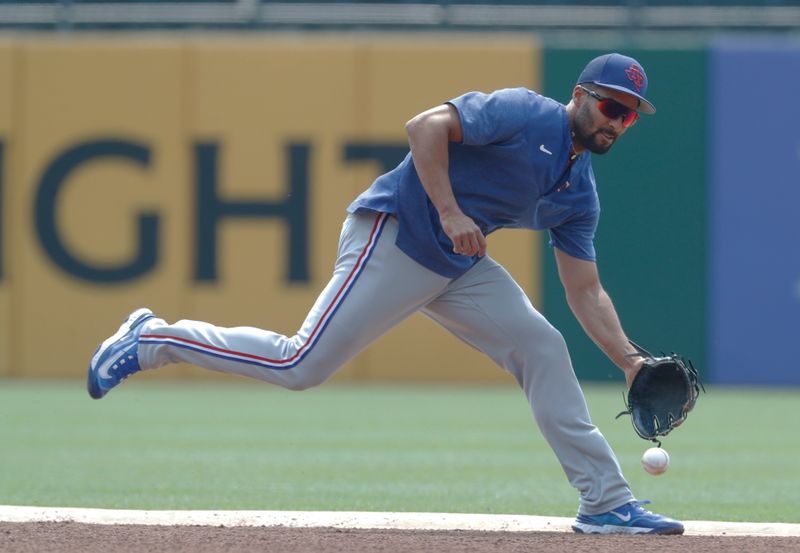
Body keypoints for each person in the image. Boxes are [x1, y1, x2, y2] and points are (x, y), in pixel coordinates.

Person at [88, 53, 684, 535]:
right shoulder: (527, 113)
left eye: (627, 116)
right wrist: (450, 211)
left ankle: (605, 503)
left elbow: (585, 290)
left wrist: (628, 362)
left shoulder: (578, 192)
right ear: (580, 96)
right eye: (609, 104)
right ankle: (153, 339)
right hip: (397, 233)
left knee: (542, 346)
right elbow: (424, 127)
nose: (614, 121)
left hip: (458, 263)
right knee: (300, 364)